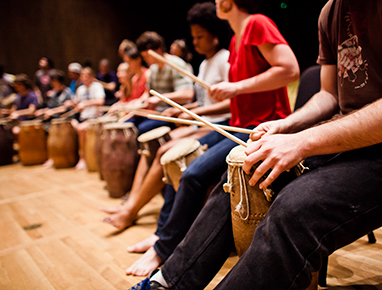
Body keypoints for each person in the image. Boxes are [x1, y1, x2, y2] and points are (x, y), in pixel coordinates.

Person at [130, 0, 382, 289]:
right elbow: (329, 94)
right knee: (243, 172)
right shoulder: (331, 11)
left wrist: (302, 140)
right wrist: (288, 124)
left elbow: (287, 70)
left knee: (293, 209)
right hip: (342, 135)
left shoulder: (257, 24)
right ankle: (168, 282)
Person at [126, 0, 299, 277]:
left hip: (262, 127)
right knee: (177, 160)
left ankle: (163, 248)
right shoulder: (235, 40)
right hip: (239, 124)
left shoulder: (257, 23)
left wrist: (234, 88)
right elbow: (236, 94)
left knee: (193, 175)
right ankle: (164, 235)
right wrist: (222, 96)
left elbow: (290, 70)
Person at [100, 2, 232, 235]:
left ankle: (135, 213)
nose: (195, 42)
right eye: (194, 36)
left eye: (200, 36)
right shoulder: (204, 64)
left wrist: (194, 111)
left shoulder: (224, 59)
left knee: (164, 151)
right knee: (155, 146)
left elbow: (231, 103)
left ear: (215, 36)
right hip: (204, 121)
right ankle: (131, 204)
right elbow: (202, 100)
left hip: (220, 123)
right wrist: (183, 109)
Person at [133, 31, 194, 136]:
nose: (145, 60)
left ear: (158, 50)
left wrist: (160, 98)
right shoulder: (153, 68)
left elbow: (188, 94)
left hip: (175, 114)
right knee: (132, 123)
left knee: (142, 128)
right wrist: (136, 103)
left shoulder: (176, 64)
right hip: (160, 113)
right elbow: (148, 93)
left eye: (147, 56)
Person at [69, 67, 105, 170]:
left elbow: (100, 101)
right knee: (73, 124)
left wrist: (85, 104)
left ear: (92, 77)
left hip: (95, 118)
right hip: (83, 118)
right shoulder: (80, 89)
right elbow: (78, 105)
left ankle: (83, 159)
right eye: (83, 75)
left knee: (81, 129)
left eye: (87, 75)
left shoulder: (97, 86)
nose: (84, 78)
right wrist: (74, 105)